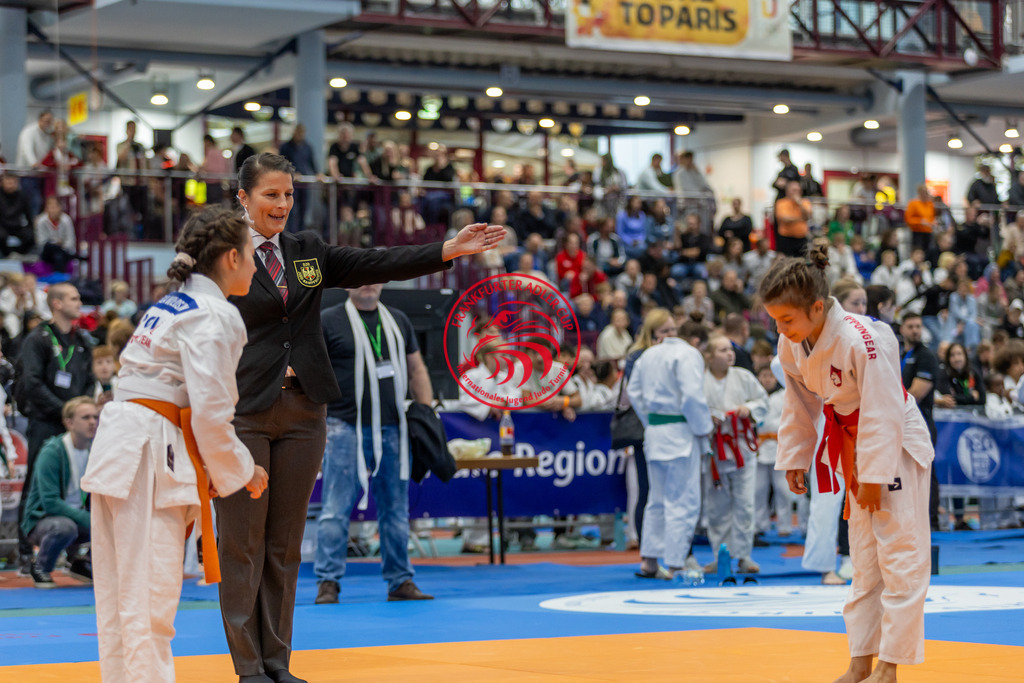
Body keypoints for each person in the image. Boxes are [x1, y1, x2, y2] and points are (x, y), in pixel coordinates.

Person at [216, 153, 503, 683]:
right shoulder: (220, 254)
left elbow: (378, 262)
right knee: (242, 542)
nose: (282, 205)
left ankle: (277, 663)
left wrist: (447, 249)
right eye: (270, 195)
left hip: (306, 411)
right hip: (243, 413)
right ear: (243, 197)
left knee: (284, 543)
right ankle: (247, 667)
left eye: (288, 194)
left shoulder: (308, 252)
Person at [81, 206, 269, 683]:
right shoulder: (214, 314)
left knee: (122, 597)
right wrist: (245, 469)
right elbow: (211, 412)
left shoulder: (169, 306)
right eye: (251, 255)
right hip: (148, 451)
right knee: (149, 599)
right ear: (231, 257)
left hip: (121, 447)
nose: (255, 265)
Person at [761, 244, 933, 683]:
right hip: (850, 442)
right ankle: (860, 661)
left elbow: (883, 409)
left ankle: (890, 667)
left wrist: (876, 475)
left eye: (787, 319)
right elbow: (798, 403)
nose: (780, 328)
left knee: (899, 554)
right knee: (863, 558)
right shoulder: (791, 342)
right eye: (776, 320)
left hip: (893, 444)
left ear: (817, 307)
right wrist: (796, 456)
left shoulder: (866, 337)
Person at [314, 283, 435, 605]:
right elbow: (314, 372)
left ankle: (400, 580)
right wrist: (317, 421)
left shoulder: (397, 320)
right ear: (347, 284)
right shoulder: (329, 320)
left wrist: (428, 414)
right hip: (343, 426)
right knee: (335, 509)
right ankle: (328, 582)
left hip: (393, 426)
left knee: (396, 509)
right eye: (361, 277)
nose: (369, 283)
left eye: (375, 277)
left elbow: (416, 368)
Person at [626, 309, 713, 579]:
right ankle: (676, 564)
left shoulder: (646, 356)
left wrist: (651, 421)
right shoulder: (687, 354)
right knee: (683, 501)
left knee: (656, 500)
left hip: (655, 432)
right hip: (681, 432)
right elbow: (692, 398)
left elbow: (633, 393)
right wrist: (704, 429)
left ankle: (650, 561)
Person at [14, 282, 93, 574]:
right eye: (74, 298)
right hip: (46, 422)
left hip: (76, 428)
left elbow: (87, 383)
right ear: (57, 304)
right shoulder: (38, 339)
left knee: (80, 485)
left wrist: (81, 413)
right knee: (35, 483)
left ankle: (76, 555)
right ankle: (25, 553)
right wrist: (66, 413)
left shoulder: (83, 340)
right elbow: (32, 383)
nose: (80, 301)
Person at [701, 335, 770, 574]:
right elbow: (692, 408)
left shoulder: (743, 376)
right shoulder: (700, 380)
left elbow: (762, 401)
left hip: (741, 449)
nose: (729, 354)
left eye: (730, 349)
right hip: (714, 450)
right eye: (722, 350)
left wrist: (748, 409)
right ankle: (721, 555)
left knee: (745, 503)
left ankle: (743, 556)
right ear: (709, 356)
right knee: (716, 505)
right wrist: (707, 416)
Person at [20, 396, 98, 588]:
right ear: (69, 422)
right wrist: (91, 520)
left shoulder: (95, 451)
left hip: (75, 517)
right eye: (86, 417)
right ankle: (40, 567)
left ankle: (82, 563)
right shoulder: (52, 451)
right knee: (66, 527)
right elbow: (50, 503)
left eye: (95, 417)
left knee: (112, 521)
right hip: (42, 520)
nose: (93, 422)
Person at [899, 312, 941, 531]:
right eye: (911, 326)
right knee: (903, 473)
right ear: (902, 329)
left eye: (918, 326)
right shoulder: (898, 353)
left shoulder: (926, 356)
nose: (915, 330)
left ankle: (931, 521)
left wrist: (886, 404)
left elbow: (917, 393)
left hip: (921, 423)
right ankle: (910, 521)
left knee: (925, 471)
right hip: (898, 424)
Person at [754, 364, 793, 538]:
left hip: (780, 446)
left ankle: (785, 525)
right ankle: (759, 524)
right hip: (759, 447)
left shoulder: (785, 395)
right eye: (763, 375)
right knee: (758, 490)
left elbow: (790, 419)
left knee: (783, 490)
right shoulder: (754, 396)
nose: (767, 379)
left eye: (770, 376)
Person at [34, 195, 77, 271]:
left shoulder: (67, 220)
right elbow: (41, 242)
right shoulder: (41, 221)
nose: (53, 210)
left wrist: (59, 245)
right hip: (47, 252)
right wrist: (57, 242)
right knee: (52, 249)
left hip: (63, 251)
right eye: (50, 207)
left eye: (55, 207)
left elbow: (70, 242)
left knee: (59, 256)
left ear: (60, 208)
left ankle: (60, 278)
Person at [773, 180, 811, 257]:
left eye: (798, 190)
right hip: (786, 239)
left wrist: (799, 203)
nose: (796, 192)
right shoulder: (781, 203)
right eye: (794, 190)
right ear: (787, 191)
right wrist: (801, 219)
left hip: (801, 239)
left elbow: (807, 216)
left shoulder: (805, 202)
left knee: (801, 263)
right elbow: (784, 219)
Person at [905, 184, 936, 252]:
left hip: (928, 231)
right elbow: (908, 219)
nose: (925, 194)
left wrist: (932, 222)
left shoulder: (930, 204)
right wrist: (920, 222)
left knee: (928, 251)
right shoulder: (913, 203)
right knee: (918, 250)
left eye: (926, 192)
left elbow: (931, 217)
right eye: (923, 192)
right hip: (917, 232)